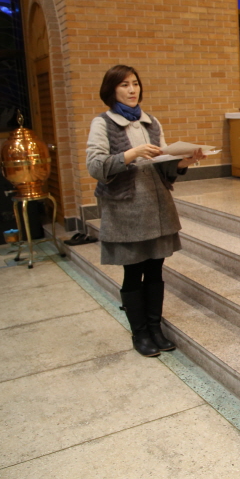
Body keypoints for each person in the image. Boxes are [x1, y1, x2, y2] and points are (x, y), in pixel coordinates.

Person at [86, 65, 205, 357]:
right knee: (133, 271)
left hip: (156, 206)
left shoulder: (151, 122)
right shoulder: (103, 123)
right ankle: (139, 333)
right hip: (127, 210)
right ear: (112, 90)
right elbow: (95, 166)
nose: (132, 90)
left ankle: (155, 328)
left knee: (155, 270)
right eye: (124, 85)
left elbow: (164, 166)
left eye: (135, 84)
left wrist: (184, 161)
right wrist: (131, 154)